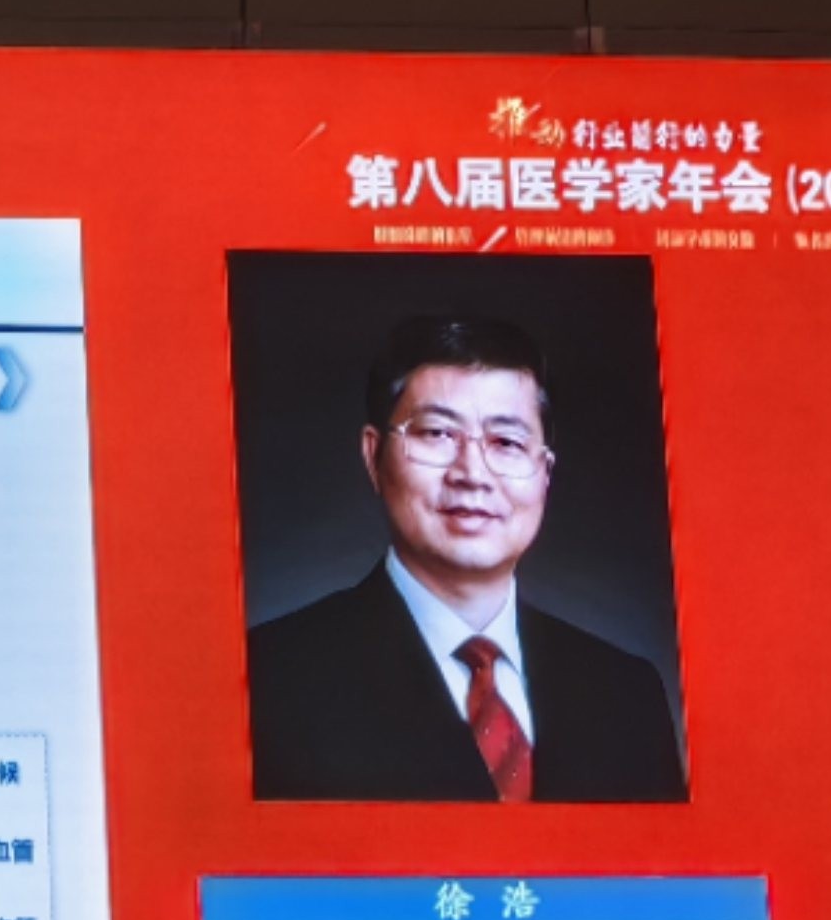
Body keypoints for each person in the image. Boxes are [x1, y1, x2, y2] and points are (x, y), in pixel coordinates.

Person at [245, 314, 686, 803]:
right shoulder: (267, 679)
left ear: (544, 474)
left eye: (506, 442)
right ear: (374, 456)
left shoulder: (628, 693)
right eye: (437, 433)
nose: (472, 473)